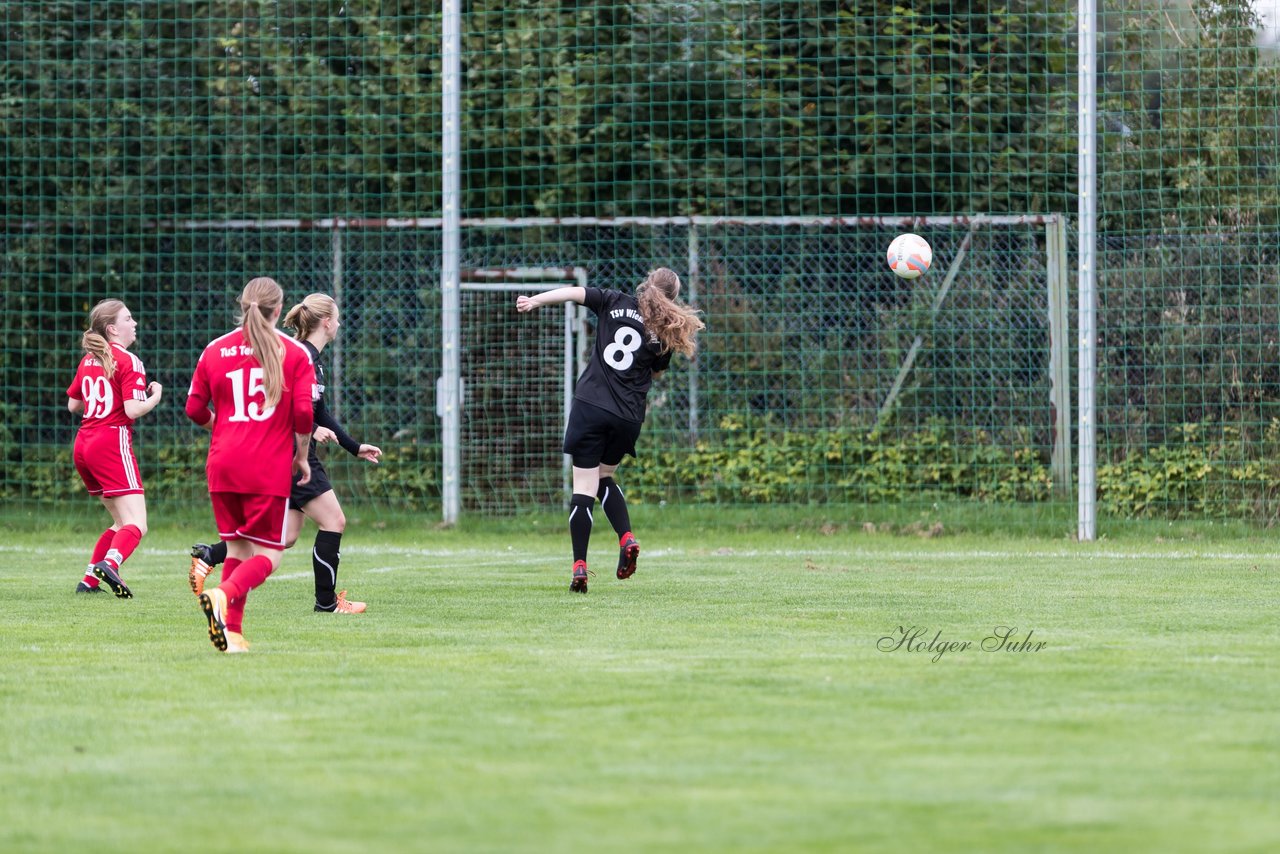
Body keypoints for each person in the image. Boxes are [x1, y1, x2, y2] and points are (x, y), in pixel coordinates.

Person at [187, 293, 381, 615]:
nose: (340, 323)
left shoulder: (311, 359)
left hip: (288, 453)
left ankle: (210, 555)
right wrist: (303, 430)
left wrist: (354, 446)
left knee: (285, 537)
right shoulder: (296, 355)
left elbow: (319, 412)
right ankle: (326, 602)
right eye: (338, 317)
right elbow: (277, 403)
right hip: (291, 455)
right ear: (327, 322)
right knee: (334, 521)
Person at [515, 267, 704, 593]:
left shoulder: (613, 300)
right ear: (672, 299)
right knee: (603, 478)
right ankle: (626, 536)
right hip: (627, 417)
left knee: (583, 487)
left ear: (645, 284)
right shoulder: (663, 333)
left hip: (591, 406)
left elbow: (574, 293)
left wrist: (535, 300)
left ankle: (579, 567)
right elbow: (656, 375)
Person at [184, 277, 316, 653]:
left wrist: (220, 427)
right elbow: (304, 413)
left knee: (238, 552)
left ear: (242, 306)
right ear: (278, 310)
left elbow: (193, 408)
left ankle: (233, 633)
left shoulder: (214, 349)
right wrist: (302, 456)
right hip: (265, 469)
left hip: (223, 465)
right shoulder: (293, 352)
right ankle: (222, 595)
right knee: (270, 557)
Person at [66, 299, 163, 597]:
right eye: (128, 318)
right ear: (112, 329)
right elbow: (133, 410)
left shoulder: (88, 360)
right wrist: (156, 396)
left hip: (84, 444)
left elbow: (73, 405)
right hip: (111, 442)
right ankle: (110, 564)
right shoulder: (128, 360)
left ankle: (89, 581)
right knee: (137, 524)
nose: (134, 323)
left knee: (120, 522)